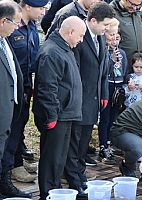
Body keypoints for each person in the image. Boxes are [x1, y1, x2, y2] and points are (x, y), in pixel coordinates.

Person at [63, 2, 114, 197]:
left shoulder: (99, 38)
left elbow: (102, 70)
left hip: (94, 98)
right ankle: (73, 177)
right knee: (74, 141)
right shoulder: (79, 38)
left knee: (84, 140)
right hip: (79, 98)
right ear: (93, 21)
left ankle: (80, 171)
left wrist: (104, 94)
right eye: (105, 25)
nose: (107, 29)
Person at [32, 16, 86, 200]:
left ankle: (57, 192)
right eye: (80, 35)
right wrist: (52, 115)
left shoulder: (65, 48)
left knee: (61, 157)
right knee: (52, 158)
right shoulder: (51, 52)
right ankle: (47, 194)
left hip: (67, 112)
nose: (81, 40)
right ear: (70, 32)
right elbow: (47, 88)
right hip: (57, 115)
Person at [4, 0, 47, 184]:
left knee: (20, 125)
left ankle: (16, 159)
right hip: (10, 87)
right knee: (10, 128)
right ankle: (11, 167)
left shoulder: (32, 27)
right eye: (41, 8)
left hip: (26, 84)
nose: (44, 12)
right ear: (27, 7)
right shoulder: (11, 28)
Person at [0, 1, 28, 198]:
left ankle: (4, 183)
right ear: (3, 21)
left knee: (7, 149)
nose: (18, 27)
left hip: (11, 107)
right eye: (15, 22)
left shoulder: (5, 39)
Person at [97, 18, 128, 165]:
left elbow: (125, 70)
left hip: (118, 87)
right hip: (107, 87)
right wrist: (111, 60)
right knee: (105, 117)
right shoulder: (103, 51)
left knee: (114, 117)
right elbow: (103, 71)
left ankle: (110, 142)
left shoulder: (122, 53)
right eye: (111, 36)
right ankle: (103, 146)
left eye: (117, 37)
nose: (114, 40)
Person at [110, 0, 142, 66]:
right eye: (132, 4)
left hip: (137, 64)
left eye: (138, 5)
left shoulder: (137, 13)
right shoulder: (110, 13)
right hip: (120, 63)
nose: (135, 8)